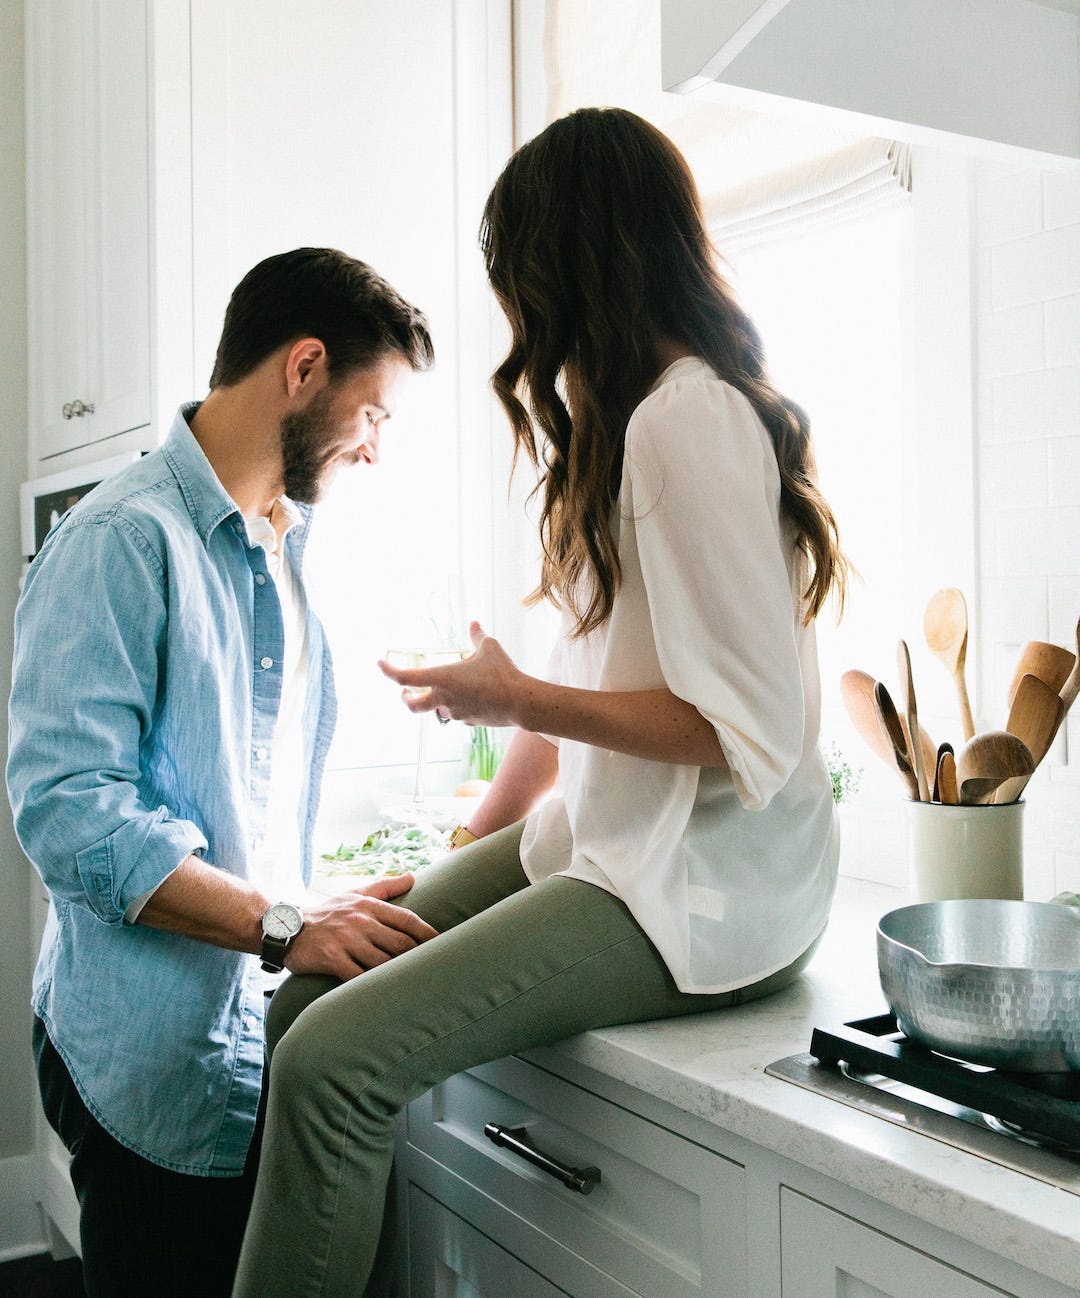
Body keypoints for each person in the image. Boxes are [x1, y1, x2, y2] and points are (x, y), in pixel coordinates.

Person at [232, 109, 849, 1298]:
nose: (516, 311)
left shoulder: (689, 416)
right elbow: (594, 694)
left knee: (331, 1066)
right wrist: (470, 839)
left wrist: (518, 693)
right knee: (307, 990)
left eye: (519, 272)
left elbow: (745, 735)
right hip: (615, 842)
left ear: (573, 259)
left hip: (705, 888)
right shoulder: (628, 424)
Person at [7, 248, 439, 1298]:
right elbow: (70, 812)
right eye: (373, 414)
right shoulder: (121, 538)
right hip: (142, 1060)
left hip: (235, 1043)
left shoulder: (279, 546)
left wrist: (308, 900)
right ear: (303, 369)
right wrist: (286, 926)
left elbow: (240, 799)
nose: (377, 449)